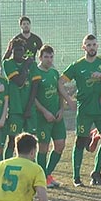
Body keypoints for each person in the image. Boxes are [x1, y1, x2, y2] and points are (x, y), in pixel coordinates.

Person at [58, 34, 101, 187]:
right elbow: (61, 82)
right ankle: (76, 177)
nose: (92, 48)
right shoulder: (77, 66)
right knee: (80, 142)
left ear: (97, 46)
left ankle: (96, 172)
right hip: (84, 109)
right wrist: (69, 100)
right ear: (83, 47)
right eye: (88, 45)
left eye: (94, 44)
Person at [30, 45, 68, 188]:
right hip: (42, 117)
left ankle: (46, 174)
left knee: (60, 145)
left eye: (51, 56)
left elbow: (60, 92)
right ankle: (42, 178)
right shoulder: (35, 73)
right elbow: (32, 97)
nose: (49, 59)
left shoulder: (54, 72)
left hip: (57, 116)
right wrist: (45, 112)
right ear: (40, 57)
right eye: (46, 56)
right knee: (43, 147)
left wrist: (61, 109)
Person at [3, 38, 37, 160]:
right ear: (12, 51)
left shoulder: (32, 65)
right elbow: (19, 81)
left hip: (29, 109)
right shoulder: (8, 64)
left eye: (21, 50)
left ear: (24, 51)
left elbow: (35, 86)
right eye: (15, 50)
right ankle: (7, 165)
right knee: (12, 141)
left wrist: (29, 108)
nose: (18, 53)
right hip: (15, 110)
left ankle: (33, 168)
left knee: (32, 142)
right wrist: (26, 66)